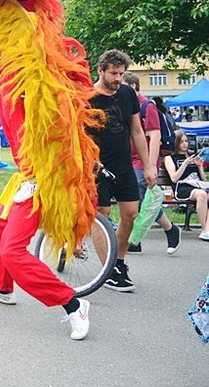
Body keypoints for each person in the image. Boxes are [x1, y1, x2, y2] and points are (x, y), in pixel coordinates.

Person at [88, 50, 156, 292]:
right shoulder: (87, 96)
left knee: (130, 213)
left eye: (121, 73)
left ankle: (118, 262)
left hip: (123, 164)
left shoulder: (127, 93)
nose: (118, 78)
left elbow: (137, 131)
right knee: (102, 214)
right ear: (101, 71)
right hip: (97, 165)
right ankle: (109, 270)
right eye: (113, 74)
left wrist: (148, 165)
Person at [122, 72, 181, 254]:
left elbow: (155, 137)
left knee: (137, 197)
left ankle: (162, 232)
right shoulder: (126, 105)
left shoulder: (147, 106)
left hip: (143, 160)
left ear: (133, 87)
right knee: (135, 199)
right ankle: (163, 231)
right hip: (128, 159)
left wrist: (151, 166)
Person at [165, 134, 209, 241]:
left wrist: (199, 167)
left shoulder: (192, 157)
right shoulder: (170, 158)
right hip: (182, 187)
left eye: (186, 141)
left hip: (197, 186)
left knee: (203, 193)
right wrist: (184, 164)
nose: (185, 144)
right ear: (176, 143)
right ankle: (204, 229)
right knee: (202, 195)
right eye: (181, 142)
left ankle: (207, 230)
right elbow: (174, 178)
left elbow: (203, 181)